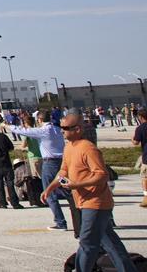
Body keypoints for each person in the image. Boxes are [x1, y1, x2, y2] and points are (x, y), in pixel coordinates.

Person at [43, 114, 134, 272]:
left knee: (87, 244)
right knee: (110, 243)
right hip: (84, 202)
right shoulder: (69, 147)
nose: (61, 131)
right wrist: (50, 188)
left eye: (65, 128)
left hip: (96, 203)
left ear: (77, 129)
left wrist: (77, 184)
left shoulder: (88, 149)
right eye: (60, 127)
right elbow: (64, 170)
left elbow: (102, 174)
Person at [15, 109, 72, 230]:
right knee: (67, 189)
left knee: (49, 192)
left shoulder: (43, 131)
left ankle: (60, 222)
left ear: (40, 120)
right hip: (62, 162)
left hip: (50, 163)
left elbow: (23, 130)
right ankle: (79, 217)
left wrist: (7, 126)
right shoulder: (57, 129)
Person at [133, 110, 147, 208]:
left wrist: (131, 139)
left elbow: (136, 142)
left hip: (146, 157)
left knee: (145, 178)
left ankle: (146, 198)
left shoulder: (140, 128)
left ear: (141, 117)